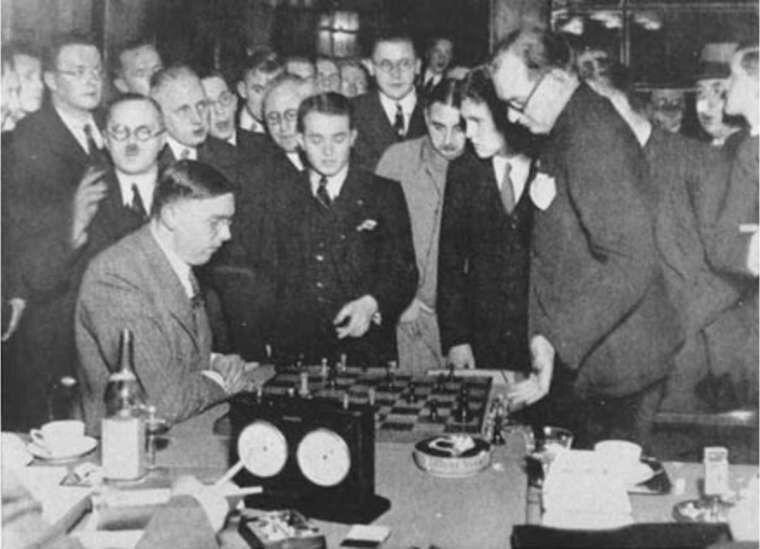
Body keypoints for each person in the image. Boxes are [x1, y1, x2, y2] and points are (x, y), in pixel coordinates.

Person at [489, 28, 681, 447]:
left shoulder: (593, 137)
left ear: (557, 78)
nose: (512, 118)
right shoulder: (565, 126)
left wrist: (557, 341)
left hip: (619, 365)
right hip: (590, 354)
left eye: (517, 102)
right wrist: (544, 340)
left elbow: (631, 261)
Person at [76, 160, 249, 433]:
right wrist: (222, 381)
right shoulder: (116, 276)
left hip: (183, 433)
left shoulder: (177, 261)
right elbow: (166, 402)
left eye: (228, 222)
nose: (227, 235)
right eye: (215, 222)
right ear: (170, 216)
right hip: (128, 447)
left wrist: (215, 361)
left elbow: (170, 351)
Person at [3, 33, 107, 430]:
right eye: (77, 71)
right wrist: (71, 220)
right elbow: (22, 237)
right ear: (51, 80)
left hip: (99, 309)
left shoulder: (110, 126)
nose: (91, 80)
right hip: (52, 317)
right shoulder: (27, 139)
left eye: (96, 71)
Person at [270, 92, 417, 366]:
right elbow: (267, 277)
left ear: (352, 138)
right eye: (317, 140)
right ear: (300, 140)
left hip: (366, 352)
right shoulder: (279, 196)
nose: (328, 151)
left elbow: (404, 272)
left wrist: (372, 303)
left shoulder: (383, 193)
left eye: (338, 139)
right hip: (297, 354)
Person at [437, 67, 537, 375]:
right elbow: (450, 263)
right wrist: (456, 339)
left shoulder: (549, 164)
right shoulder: (463, 171)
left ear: (508, 116)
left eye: (477, 121)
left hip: (539, 340)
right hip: (482, 340)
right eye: (465, 122)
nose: (468, 133)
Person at [375, 79, 465, 374]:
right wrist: (403, 301)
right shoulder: (397, 160)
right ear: (425, 116)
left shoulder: (482, 167)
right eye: (439, 126)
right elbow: (376, 242)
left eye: (460, 127)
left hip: (463, 324)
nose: (448, 139)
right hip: (409, 316)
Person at [697, 44, 759, 409]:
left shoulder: (751, 151)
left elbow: (724, 243)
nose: (726, 89)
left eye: (733, 77)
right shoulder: (749, 147)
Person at [352, 31, 426, 170]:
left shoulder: (435, 111)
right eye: (386, 64)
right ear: (370, 67)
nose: (396, 73)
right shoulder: (351, 112)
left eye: (405, 64)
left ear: (418, 66)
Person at [237, 50, 283, 134]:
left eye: (272, 90)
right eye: (258, 90)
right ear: (242, 90)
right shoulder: (229, 127)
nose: (265, 100)